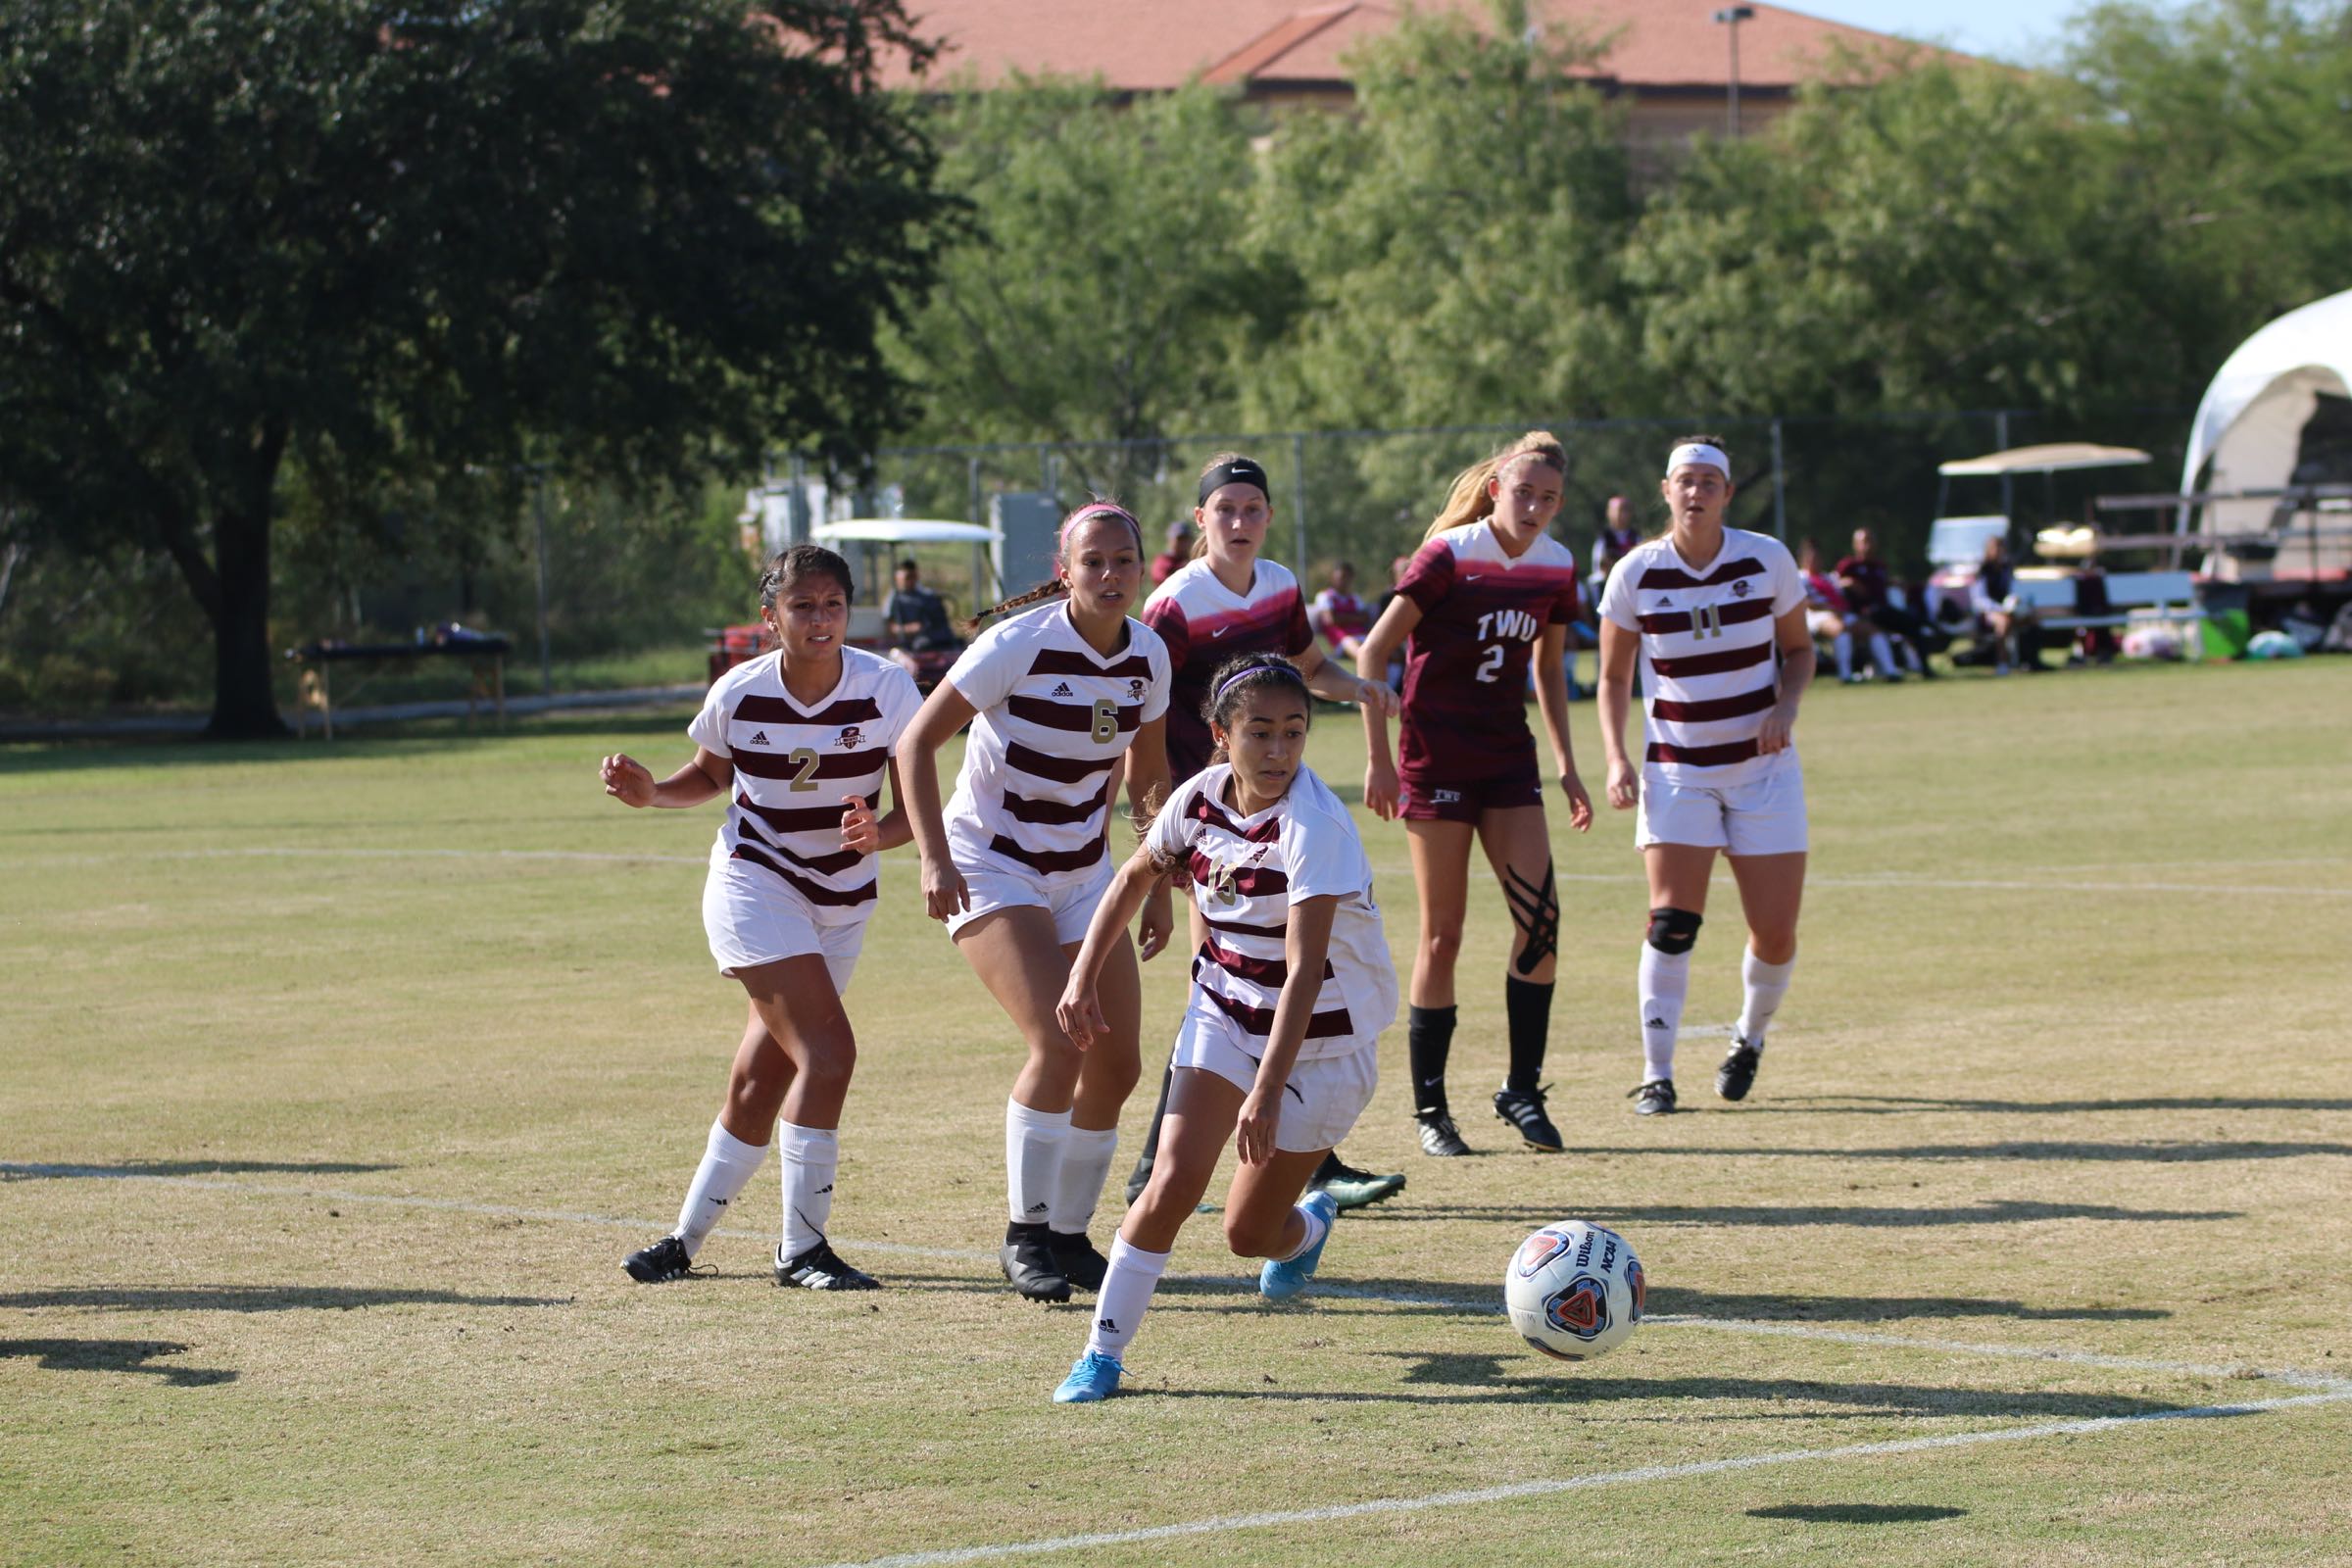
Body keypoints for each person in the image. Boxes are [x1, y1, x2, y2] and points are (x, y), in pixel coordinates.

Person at [1048, 655, 1396, 1403]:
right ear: (1221, 735)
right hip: (1224, 1011)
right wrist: (1080, 975)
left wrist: (1267, 1091)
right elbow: (1134, 877)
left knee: (1247, 1235)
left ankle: (1307, 1229)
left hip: (1324, 1046)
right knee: (1171, 1181)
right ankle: (1101, 1357)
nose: (1278, 752)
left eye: (1294, 734)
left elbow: (1303, 973)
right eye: (1260, 733)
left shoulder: (1317, 828)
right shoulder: (1199, 799)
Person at [607, 545, 924, 1291]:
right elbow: (711, 778)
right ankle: (802, 1250)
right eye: (802, 606)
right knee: (830, 1053)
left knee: (760, 1079)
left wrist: (881, 834)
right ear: (769, 617)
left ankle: (680, 1244)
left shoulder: (887, 689)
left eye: (834, 606)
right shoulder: (739, 691)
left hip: (842, 900)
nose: (820, 620)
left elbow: (916, 808)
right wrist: (652, 792)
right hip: (754, 881)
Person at [897, 501, 1176, 1304]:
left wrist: (1153, 886)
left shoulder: (1147, 656)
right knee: (1060, 1045)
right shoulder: (1017, 643)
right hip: (992, 865)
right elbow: (914, 743)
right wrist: (932, 858)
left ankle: (1069, 1235)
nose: (1111, 574)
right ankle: (1024, 1236)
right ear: (1066, 570)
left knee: (1117, 1062)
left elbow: (1149, 780)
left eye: (1124, 560)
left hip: (1084, 874)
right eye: (1095, 561)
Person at [1123, 454, 1403, 1212]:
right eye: (1226, 510)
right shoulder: (1174, 607)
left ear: (1269, 516)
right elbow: (1145, 729)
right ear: (1201, 518)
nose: (1240, 522)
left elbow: (1308, 666)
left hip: (1269, 809)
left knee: (1263, 979)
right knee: (1221, 984)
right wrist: (1160, 840)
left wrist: (1361, 689)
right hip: (1209, 819)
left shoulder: (1279, 583)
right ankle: (1158, 1168)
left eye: (1253, 509)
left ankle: (1306, 1160)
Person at [1354, 431, 1594, 1158]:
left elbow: (1550, 672)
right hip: (1433, 756)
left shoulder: (1556, 565)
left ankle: (1522, 1089)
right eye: (1525, 492)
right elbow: (1372, 651)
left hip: (1506, 757)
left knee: (1542, 922)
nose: (1536, 507)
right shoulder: (1450, 556)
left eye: (1549, 498)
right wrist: (1378, 760)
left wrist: (1567, 766)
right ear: (1497, 489)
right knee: (1442, 935)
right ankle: (1432, 1110)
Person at [1595, 436, 1812, 1116]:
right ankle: (1657, 1073)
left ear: (1726, 493)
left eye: (1708, 482)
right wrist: (1616, 757)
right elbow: (1611, 675)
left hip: (1764, 774)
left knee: (1775, 932)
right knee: (1672, 923)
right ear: (1666, 490)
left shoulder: (1766, 558)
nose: (1696, 493)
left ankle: (1748, 1038)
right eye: (1685, 481)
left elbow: (1801, 651)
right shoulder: (1635, 572)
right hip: (1678, 771)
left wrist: (1784, 706)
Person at [1836, 526, 1936, 680]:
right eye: (1864, 541)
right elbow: (1834, 584)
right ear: (1855, 545)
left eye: (1871, 541)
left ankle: (1925, 669)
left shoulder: (1879, 566)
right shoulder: (1849, 566)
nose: (1868, 545)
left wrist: (1893, 582)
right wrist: (1847, 582)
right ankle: (1887, 670)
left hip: (1883, 610)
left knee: (1916, 625)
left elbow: (1879, 583)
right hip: (1863, 612)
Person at [1797, 536, 1873, 684]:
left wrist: (1848, 583)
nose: (1816, 561)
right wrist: (1827, 607)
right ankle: (1845, 674)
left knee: (1872, 630)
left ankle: (1890, 671)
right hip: (1815, 615)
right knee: (1841, 629)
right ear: (1805, 559)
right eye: (1812, 558)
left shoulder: (1827, 577)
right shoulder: (1800, 577)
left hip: (1839, 613)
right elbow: (1803, 602)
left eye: (1818, 558)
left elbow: (1838, 587)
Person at [1965, 534, 2040, 674]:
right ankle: (2002, 663)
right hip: (1987, 611)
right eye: (1997, 548)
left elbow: (2014, 589)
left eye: (2002, 548)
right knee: (2003, 623)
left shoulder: (2007, 568)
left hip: (2008, 608)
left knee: (2032, 619)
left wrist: (2015, 602)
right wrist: (1999, 609)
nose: (2000, 552)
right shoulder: (1982, 570)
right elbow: (1979, 599)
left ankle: (2032, 661)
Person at [883, 558, 962, 677]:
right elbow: (891, 628)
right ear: (897, 578)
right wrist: (911, 628)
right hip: (915, 645)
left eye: (913, 576)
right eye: (907, 577)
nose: (910, 581)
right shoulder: (894, 599)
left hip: (938, 640)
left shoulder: (928, 596)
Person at [1308, 561, 1374, 662]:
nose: (1343, 581)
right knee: (1365, 656)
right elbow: (1331, 620)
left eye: (1347, 577)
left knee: (1393, 654)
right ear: (1333, 577)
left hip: (1361, 635)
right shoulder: (1324, 596)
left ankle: (1392, 678)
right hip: (1342, 640)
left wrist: (1341, 617)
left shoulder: (1355, 598)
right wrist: (1355, 618)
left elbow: (1365, 617)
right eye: (1341, 577)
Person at [1150, 520, 1191, 586]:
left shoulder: (1194, 560)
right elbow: (1159, 579)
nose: (1183, 543)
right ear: (1170, 540)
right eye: (1180, 539)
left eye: (1185, 539)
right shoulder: (1163, 560)